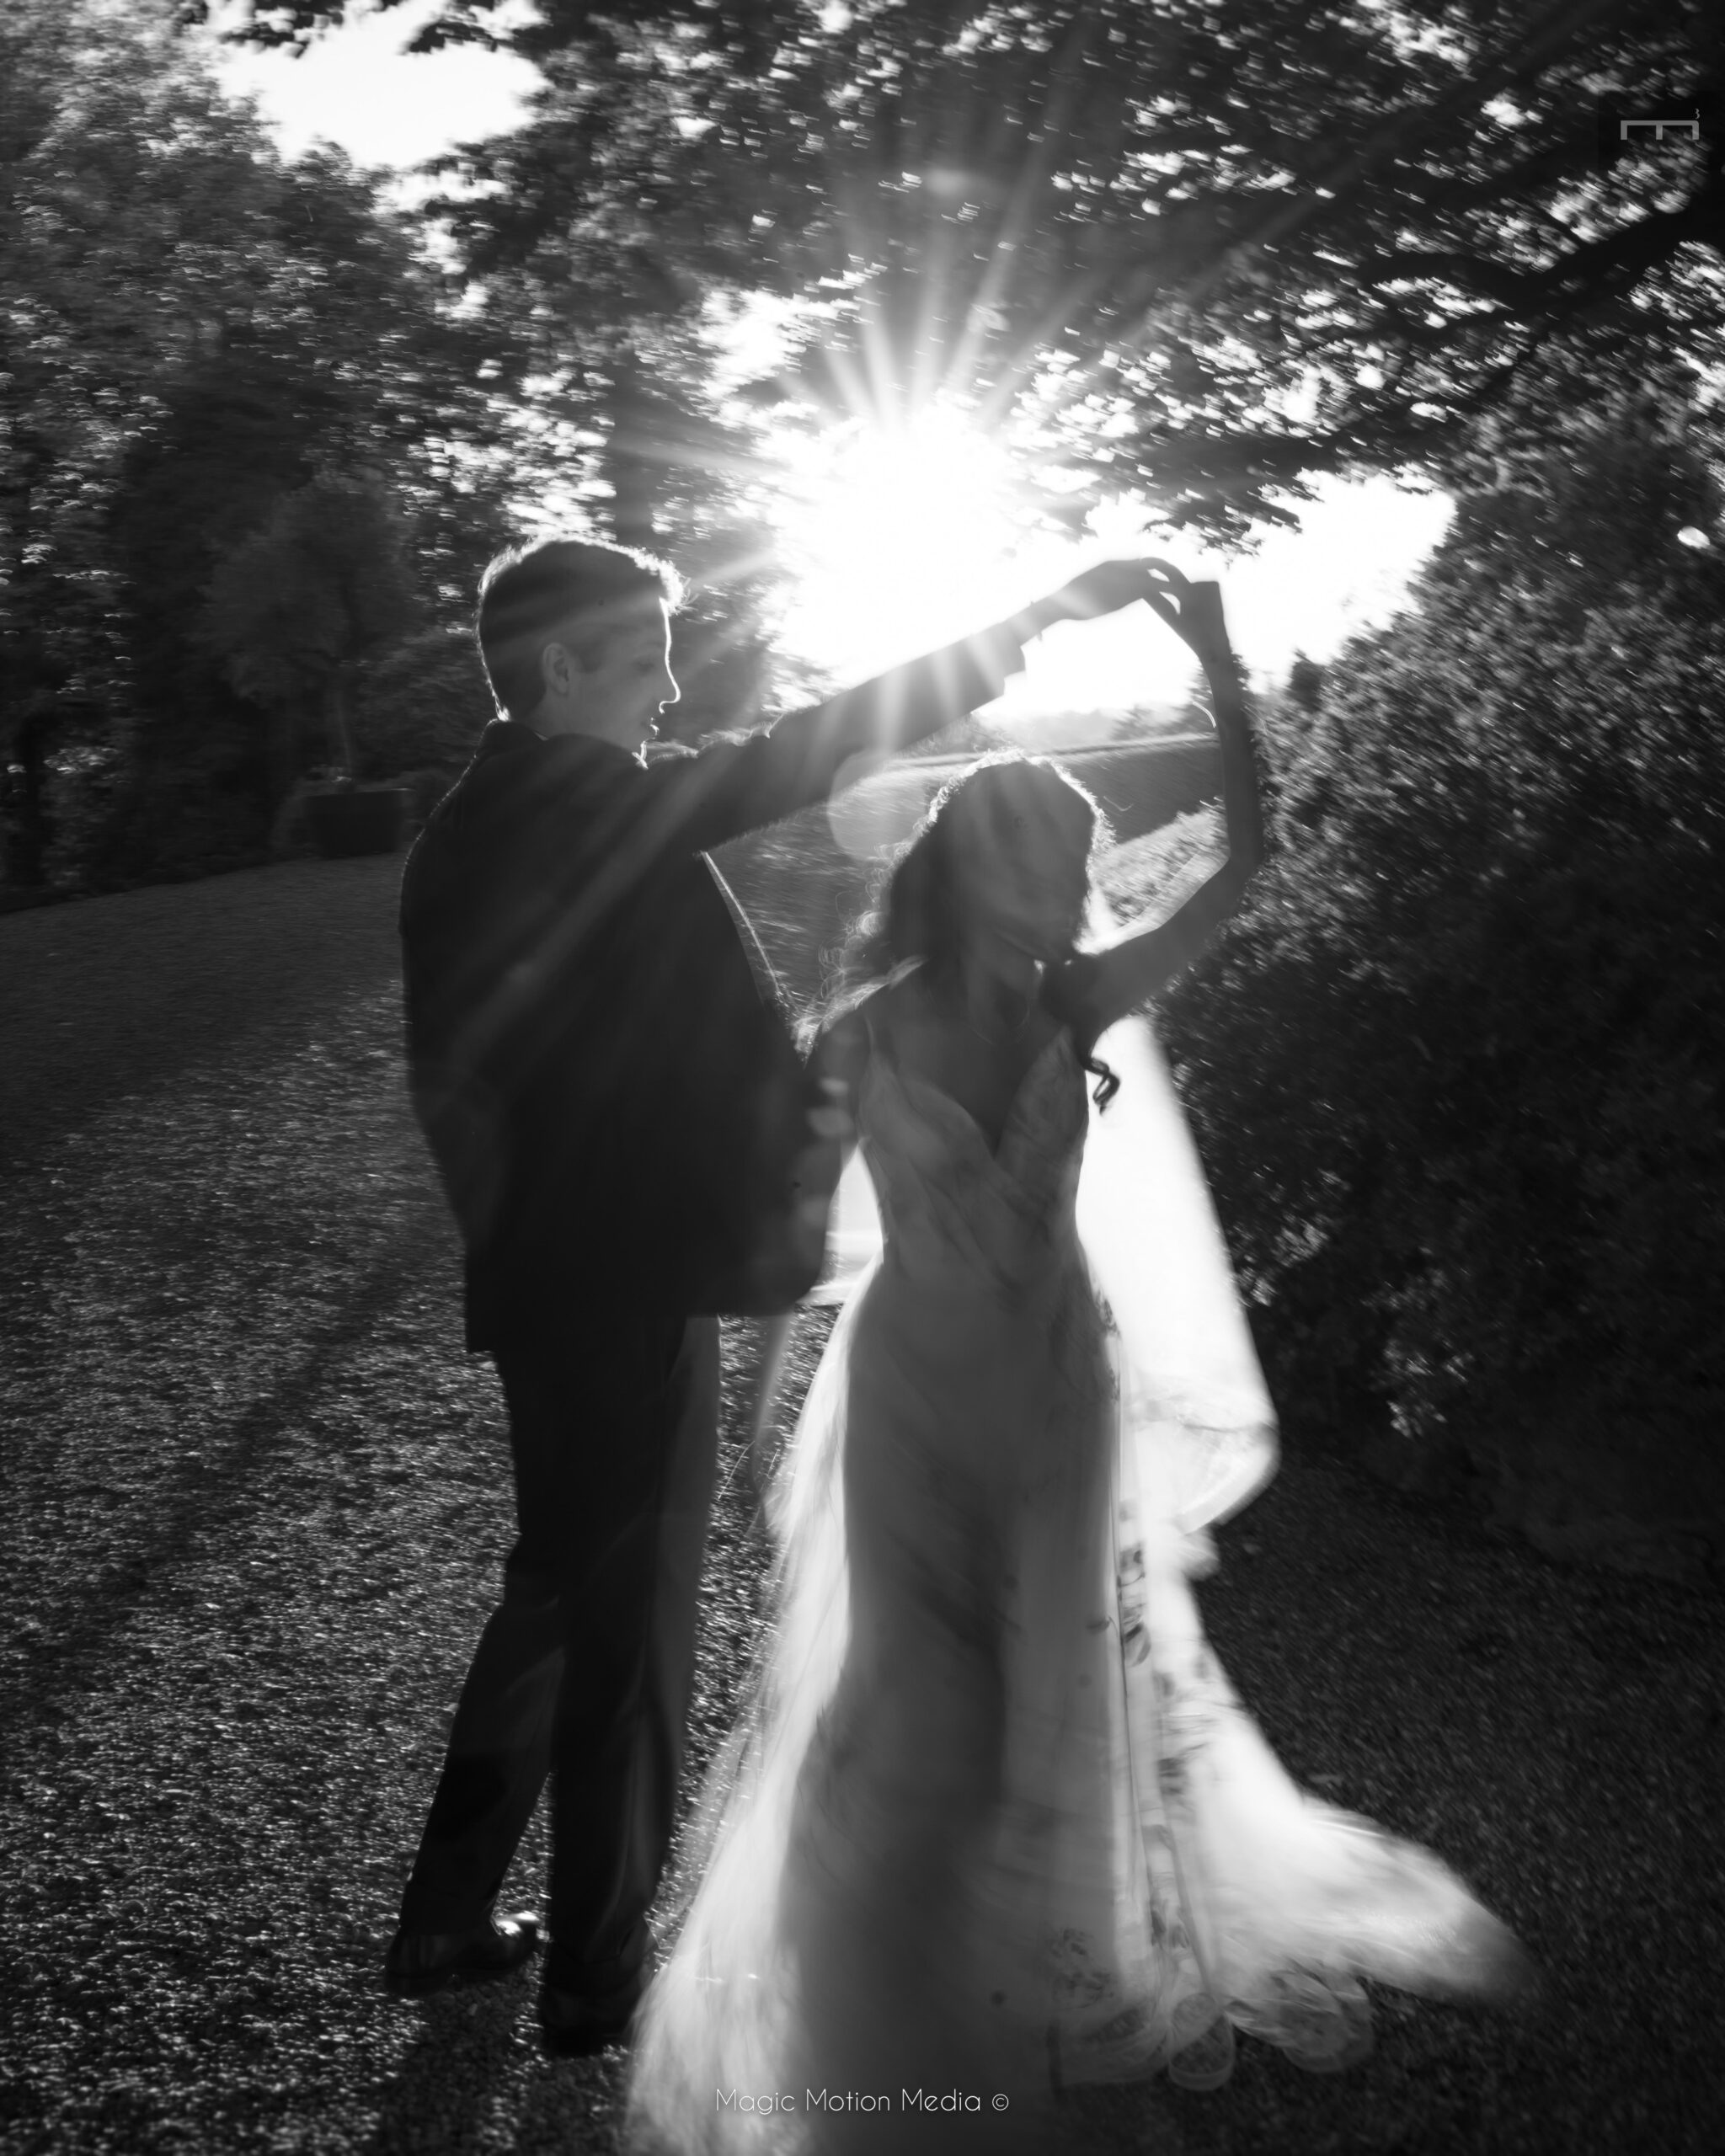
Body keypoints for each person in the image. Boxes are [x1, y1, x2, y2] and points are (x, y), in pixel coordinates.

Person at [624, 565, 1535, 2152]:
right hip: (910, 1396)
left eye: (1075, 858)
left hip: (1054, 1392)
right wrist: (753, 1405)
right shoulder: (864, 1030)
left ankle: (1026, 1974)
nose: (1064, 884)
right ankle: (880, 2015)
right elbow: (786, 1231)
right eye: (1037, 856)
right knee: (913, 1702)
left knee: (1047, 1684)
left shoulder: (1081, 1009)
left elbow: (1244, 863)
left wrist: (1221, 669)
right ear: (971, 867)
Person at [383, 534, 1161, 2053]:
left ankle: (445, 1918)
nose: (673, 689)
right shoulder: (575, 807)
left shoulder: (470, 830)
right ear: (562, 669)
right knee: (629, 1632)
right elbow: (798, 754)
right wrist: (1031, 621)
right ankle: (596, 1975)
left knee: (555, 1591)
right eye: (646, 657)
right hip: (622, 1281)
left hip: (554, 1277)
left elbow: (478, 1082)